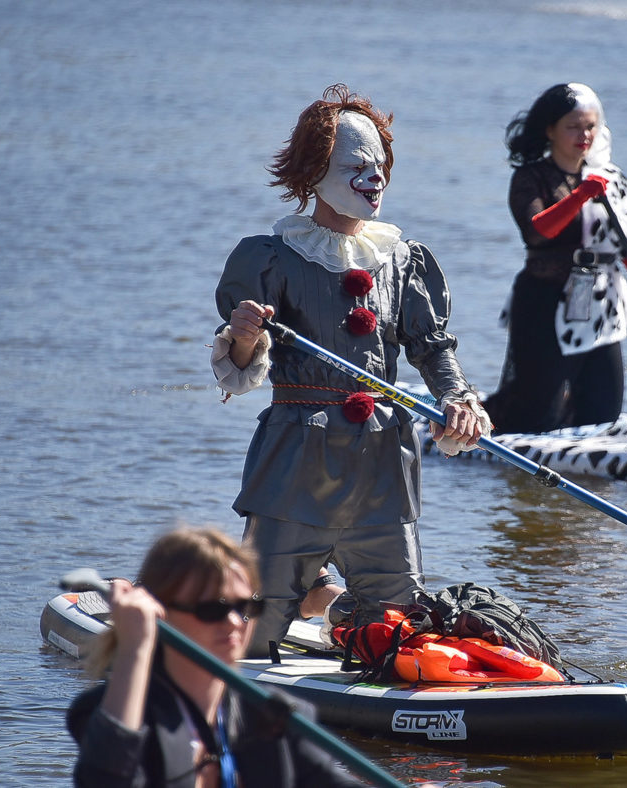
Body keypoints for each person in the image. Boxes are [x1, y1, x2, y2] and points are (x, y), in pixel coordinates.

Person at [211, 84, 490, 657]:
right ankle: (256, 603)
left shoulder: (404, 260)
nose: (376, 178)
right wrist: (243, 336)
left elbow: (432, 348)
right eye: (358, 167)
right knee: (254, 631)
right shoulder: (273, 257)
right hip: (296, 466)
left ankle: (328, 604)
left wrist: (459, 398)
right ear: (316, 173)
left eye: (381, 166)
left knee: (400, 633)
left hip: (381, 467)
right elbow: (241, 369)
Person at [66, 528, 365, 787]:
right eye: (213, 609)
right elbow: (108, 780)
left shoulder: (273, 717)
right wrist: (135, 648)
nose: (235, 622)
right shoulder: (106, 714)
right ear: (161, 614)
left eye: (247, 607)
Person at [482, 82, 627, 434]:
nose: (584, 135)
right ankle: (492, 436)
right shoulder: (530, 177)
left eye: (590, 126)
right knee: (536, 408)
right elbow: (538, 230)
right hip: (543, 300)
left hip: (601, 306)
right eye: (573, 126)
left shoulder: (610, 179)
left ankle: (591, 471)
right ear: (549, 129)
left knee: (604, 407)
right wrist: (580, 196)